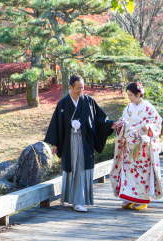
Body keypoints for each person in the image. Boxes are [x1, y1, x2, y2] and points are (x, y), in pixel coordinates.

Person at [44, 74, 115, 212]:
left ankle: (78, 201)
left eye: (82, 87)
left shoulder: (89, 101)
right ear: (70, 87)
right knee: (71, 168)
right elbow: (57, 125)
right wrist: (55, 144)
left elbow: (99, 120)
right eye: (78, 88)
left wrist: (110, 124)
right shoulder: (63, 104)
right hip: (69, 141)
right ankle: (73, 200)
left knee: (81, 169)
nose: (81, 90)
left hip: (84, 141)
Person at [110, 81, 163, 210]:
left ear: (139, 94)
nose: (129, 98)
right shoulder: (128, 108)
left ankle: (143, 198)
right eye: (128, 95)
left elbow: (157, 124)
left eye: (131, 95)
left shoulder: (148, 108)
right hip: (129, 146)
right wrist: (120, 125)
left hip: (141, 146)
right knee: (127, 171)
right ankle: (128, 197)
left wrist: (148, 127)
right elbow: (124, 120)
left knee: (141, 172)